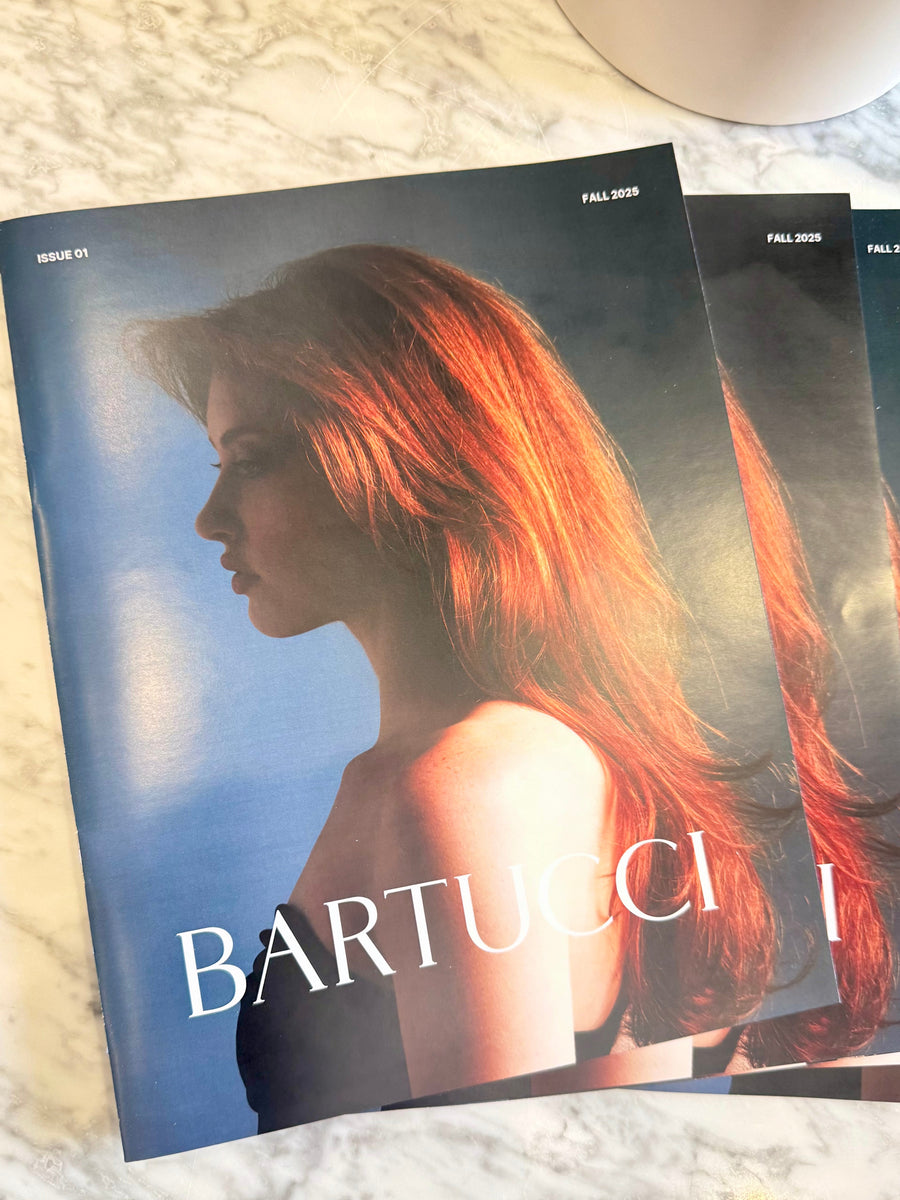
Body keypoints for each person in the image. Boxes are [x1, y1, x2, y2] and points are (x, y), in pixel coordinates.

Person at [135, 244, 788, 1129]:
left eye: (249, 461)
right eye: (220, 467)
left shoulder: (461, 781)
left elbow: (496, 1161)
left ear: (403, 456)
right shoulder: (518, 757)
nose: (208, 519)